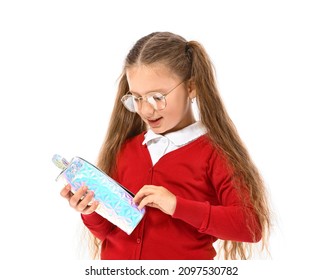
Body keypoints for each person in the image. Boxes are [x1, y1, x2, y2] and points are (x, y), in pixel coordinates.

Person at [60, 31, 271, 260]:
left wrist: (176, 205)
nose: (145, 110)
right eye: (137, 98)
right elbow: (109, 233)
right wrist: (90, 211)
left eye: (157, 97)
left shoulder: (215, 153)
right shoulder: (126, 149)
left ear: (191, 87)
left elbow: (250, 226)